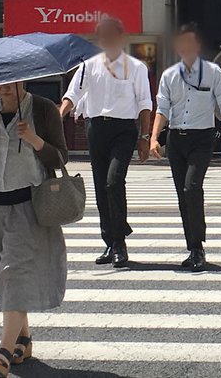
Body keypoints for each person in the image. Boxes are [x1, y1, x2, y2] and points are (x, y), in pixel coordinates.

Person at [0, 82, 68, 377]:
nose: (2, 87)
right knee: (1, 271)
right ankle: (22, 340)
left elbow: (61, 157)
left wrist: (35, 140)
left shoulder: (43, 109)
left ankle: (3, 350)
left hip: (28, 203)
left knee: (14, 272)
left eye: (7, 81)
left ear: (22, 79)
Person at [60, 17, 152, 268]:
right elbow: (72, 95)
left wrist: (144, 138)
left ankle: (120, 240)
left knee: (113, 181)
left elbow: (145, 104)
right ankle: (109, 241)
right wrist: (58, 116)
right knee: (101, 186)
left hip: (124, 130)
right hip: (96, 128)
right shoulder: (88, 66)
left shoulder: (136, 67)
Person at [150, 23, 221, 272]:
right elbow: (163, 109)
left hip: (202, 138)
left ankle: (198, 247)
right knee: (182, 195)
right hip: (177, 139)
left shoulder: (212, 72)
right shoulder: (169, 75)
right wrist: (154, 137)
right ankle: (192, 248)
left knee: (192, 187)